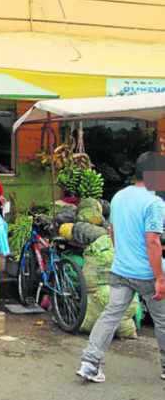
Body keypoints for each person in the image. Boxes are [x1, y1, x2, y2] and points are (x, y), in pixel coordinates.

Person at [76, 152, 165, 383]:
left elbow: (112, 232)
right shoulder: (154, 203)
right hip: (146, 273)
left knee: (110, 316)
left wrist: (122, 256)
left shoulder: (118, 197)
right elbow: (153, 241)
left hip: (120, 270)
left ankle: (89, 363)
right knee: (163, 320)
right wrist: (160, 278)